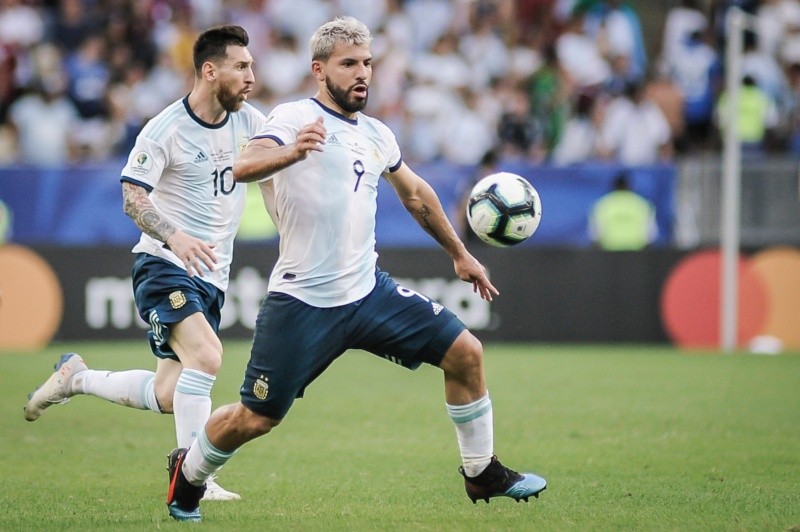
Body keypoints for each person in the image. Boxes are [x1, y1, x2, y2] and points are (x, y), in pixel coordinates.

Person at [164, 16, 546, 523]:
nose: (362, 73)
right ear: (320, 70)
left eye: (367, 63)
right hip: (302, 302)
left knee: (466, 354)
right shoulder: (293, 115)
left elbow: (416, 194)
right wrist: (293, 150)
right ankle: (187, 475)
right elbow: (242, 166)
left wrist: (459, 252)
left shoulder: (377, 134)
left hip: (369, 294)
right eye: (350, 64)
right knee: (255, 418)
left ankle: (481, 472)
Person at [23, 25, 268, 502]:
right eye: (242, 66)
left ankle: (77, 378)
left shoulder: (250, 122)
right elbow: (132, 197)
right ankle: (194, 479)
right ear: (210, 70)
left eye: (252, 66)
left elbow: (276, 169)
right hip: (162, 264)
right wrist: (175, 236)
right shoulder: (165, 128)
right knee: (209, 356)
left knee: (171, 394)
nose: (251, 76)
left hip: (210, 276)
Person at [589, 172, 657, 251]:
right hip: (636, 252)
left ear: (613, 187)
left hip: (609, 252)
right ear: (629, 186)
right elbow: (650, 235)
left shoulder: (602, 204)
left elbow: (595, 233)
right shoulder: (642, 204)